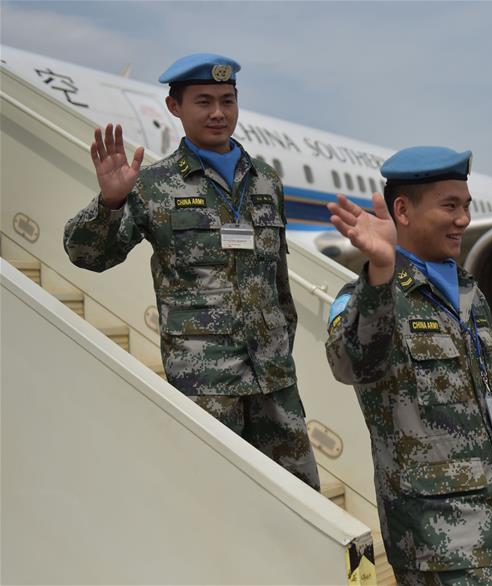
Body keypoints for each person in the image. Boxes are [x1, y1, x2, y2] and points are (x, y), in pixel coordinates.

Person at [63, 54, 319, 491]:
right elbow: (87, 255)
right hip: (205, 385)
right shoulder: (153, 185)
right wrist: (110, 203)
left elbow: (279, 286)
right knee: (214, 497)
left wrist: (277, 348)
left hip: (275, 382)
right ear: (174, 107)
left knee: (299, 498)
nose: (218, 113)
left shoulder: (266, 182)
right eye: (204, 101)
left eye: (227, 100)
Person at [325, 146, 492, 585]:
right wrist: (381, 270)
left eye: (466, 206)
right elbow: (350, 365)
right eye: (450, 206)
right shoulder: (366, 297)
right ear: (403, 211)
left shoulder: (470, 294)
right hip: (436, 546)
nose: (464, 219)